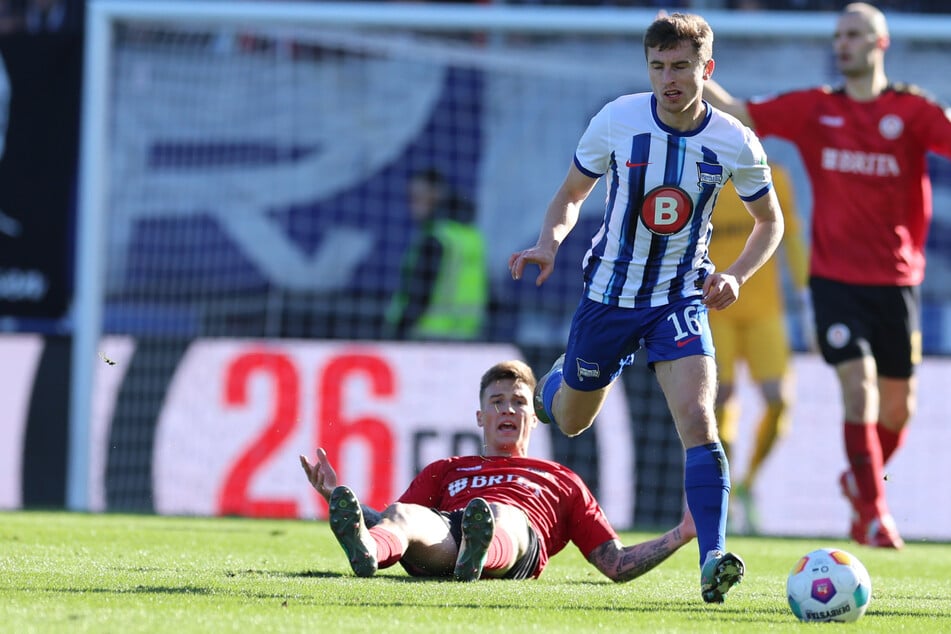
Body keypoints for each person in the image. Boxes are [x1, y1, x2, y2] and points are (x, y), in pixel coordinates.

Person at [507, 13, 784, 603]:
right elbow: (571, 194)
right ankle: (557, 384)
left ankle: (713, 556)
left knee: (698, 418)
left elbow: (770, 221)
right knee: (573, 418)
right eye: (658, 67)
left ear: (706, 70)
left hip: (680, 298)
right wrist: (548, 243)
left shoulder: (735, 140)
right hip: (609, 297)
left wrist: (735, 275)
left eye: (682, 66)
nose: (670, 79)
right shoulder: (617, 120)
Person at [703, 2, 951, 549]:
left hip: (898, 283)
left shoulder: (912, 111)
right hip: (835, 281)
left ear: (880, 43)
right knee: (857, 391)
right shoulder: (817, 109)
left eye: (856, 34)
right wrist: (697, 76)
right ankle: (875, 512)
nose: (844, 43)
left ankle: (857, 482)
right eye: (839, 35)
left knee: (898, 407)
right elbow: (744, 111)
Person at [300, 360, 698, 586]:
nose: (507, 409)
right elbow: (394, 523)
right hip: (449, 543)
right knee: (405, 515)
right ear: (480, 416)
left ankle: (482, 550)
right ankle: (368, 552)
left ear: (535, 417)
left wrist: (680, 535)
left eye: (519, 402)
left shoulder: (561, 479)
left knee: (498, 515)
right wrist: (334, 495)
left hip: (516, 540)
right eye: (497, 401)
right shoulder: (447, 469)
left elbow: (614, 562)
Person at [707, 162, 810, 535]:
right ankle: (727, 488)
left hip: (765, 311)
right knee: (721, 398)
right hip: (714, 309)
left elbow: (793, 237)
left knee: (778, 398)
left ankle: (748, 482)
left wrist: (808, 298)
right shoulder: (704, 180)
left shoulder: (774, 178)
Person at [383, 167, 489, 341]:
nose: (412, 206)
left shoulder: (436, 238)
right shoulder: (472, 236)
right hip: (467, 336)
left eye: (417, 198)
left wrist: (399, 330)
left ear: (435, 196)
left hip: (427, 334)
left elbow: (420, 292)